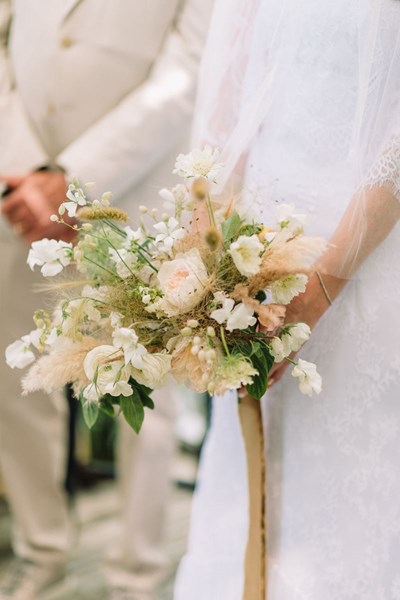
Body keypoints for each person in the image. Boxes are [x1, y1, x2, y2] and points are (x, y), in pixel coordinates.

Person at [175, 1, 400, 598]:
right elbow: (229, 100)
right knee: (251, 464)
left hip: (366, 254)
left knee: (347, 475)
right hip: (257, 250)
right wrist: (207, 246)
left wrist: (321, 287)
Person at [0, 1, 213, 599]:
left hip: (137, 187)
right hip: (16, 193)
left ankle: (135, 574)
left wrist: (73, 178)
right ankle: (40, 549)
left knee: (145, 389)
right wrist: (26, 170)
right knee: (16, 378)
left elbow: (187, 70)